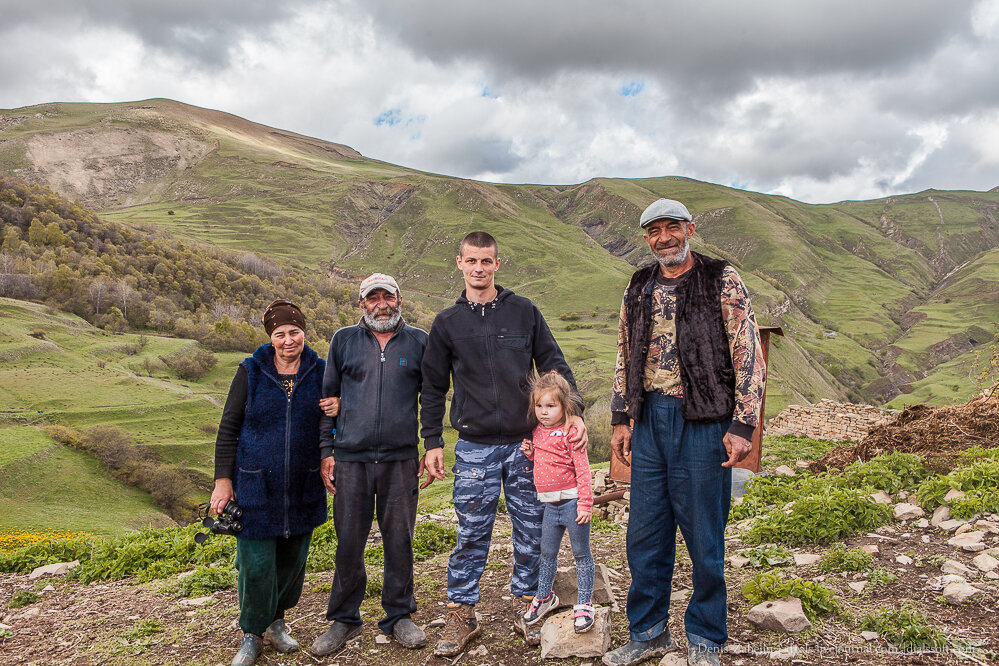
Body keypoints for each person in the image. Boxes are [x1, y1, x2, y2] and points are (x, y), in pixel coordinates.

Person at [602, 199, 765, 666]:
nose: (664, 238)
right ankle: (649, 632)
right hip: (650, 420)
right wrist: (621, 417)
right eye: (654, 231)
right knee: (646, 533)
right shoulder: (639, 284)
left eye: (672, 227)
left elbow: (749, 353)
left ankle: (707, 635)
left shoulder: (720, 277)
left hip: (704, 421)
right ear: (646, 238)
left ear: (690, 229)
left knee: (704, 534)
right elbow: (623, 352)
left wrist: (742, 426)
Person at [419, 231, 588, 657]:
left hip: (528, 446)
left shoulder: (523, 311)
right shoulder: (447, 323)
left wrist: (575, 414)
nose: (479, 268)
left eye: (486, 261)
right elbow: (433, 387)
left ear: (498, 264)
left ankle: (529, 606)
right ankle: (461, 614)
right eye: (471, 261)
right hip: (473, 446)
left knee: (532, 530)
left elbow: (555, 365)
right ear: (459, 263)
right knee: (471, 532)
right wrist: (433, 441)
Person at [310, 273, 429, 656]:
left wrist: (432, 445)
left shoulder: (419, 341)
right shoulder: (343, 340)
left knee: (400, 540)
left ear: (399, 299)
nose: (382, 303)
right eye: (373, 298)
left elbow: (432, 398)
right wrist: (326, 451)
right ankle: (345, 618)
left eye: (388, 297)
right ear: (362, 304)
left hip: (400, 459)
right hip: (351, 459)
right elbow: (327, 398)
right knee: (348, 542)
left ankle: (399, 615)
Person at [210, 299, 328, 666]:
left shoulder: (322, 371)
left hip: (303, 486)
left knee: (292, 563)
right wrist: (222, 480)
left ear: (304, 333)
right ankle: (251, 633)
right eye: (280, 334)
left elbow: (336, 422)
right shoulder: (251, 371)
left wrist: (338, 414)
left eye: (295, 332)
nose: (288, 340)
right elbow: (228, 428)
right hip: (255, 486)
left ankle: (278, 623)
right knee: (256, 563)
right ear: (270, 337)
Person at [519, 371, 595, 633]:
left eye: (551, 406)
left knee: (581, 554)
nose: (543, 412)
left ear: (565, 406)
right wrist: (531, 454)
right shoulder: (537, 432)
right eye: (539, 406)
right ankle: (544, 597)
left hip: (573, 503)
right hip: (550, 506)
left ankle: (584, 603)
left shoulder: (570, 431)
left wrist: (586, 503)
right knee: (547, 554)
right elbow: (546, 463)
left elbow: (583, 469)